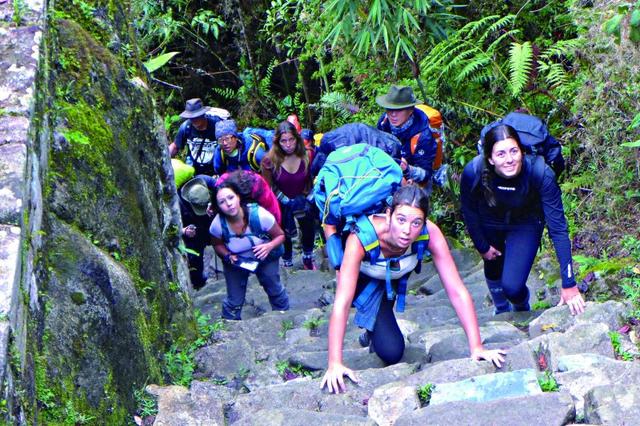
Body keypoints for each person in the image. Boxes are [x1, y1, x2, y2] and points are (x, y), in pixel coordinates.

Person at [320, 186, 506, 393]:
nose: (407, 231)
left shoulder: (430, 233)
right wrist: (334, 363)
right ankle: (372, 326)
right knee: (392, 352)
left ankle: (374, 331)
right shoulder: (361, 237)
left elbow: (456, 290)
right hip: (364, 281)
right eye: (401, 220)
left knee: (387, 343)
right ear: (388, 214)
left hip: (394, 275)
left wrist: (477, 347)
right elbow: (342, 302)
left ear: (424, 222)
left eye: (416, 223)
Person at [459, 124, 586, 316]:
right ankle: (501, 311)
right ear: (490, 159)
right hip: (489, 219)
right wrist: (481, 246)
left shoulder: (540, 173)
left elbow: (558, 229)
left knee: (512, 287)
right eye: (501, 154)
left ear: (522, 152)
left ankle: (521, 310)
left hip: (525, 223)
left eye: (514, 151)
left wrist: (569, 283)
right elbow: (469, 211)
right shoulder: (473, 171)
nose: (509, 160)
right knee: (492, 266)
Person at [209, 178, 289, 320]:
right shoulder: (217, 225)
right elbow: (217, 245)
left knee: (274, 289)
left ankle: (285, 318)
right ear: (218, 206)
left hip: (265, 257)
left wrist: (269, 246)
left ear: (238, 197)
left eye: (231, 197)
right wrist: (227, 255)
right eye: (222, 202)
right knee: (234, 301)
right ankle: (229, 329)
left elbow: (280, 236)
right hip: (237, 261)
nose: (228, 204)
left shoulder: (260, 215)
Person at [261, 121, 317, 270]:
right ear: (278, 142)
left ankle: (308, 256)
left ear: (297, 139)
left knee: (308, 226)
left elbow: (311, 178)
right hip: (280, 201)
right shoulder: (269, 160)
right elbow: (268, 186)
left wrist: (309, 196)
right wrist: (284, 200)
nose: (288, 144)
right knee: (284, 230)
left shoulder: (307, 154)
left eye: (291, 139)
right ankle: (287, 259)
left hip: (302, 197)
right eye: (284, 141)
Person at [376, 85, 438, 189]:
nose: (393, 114)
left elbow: (426, 175)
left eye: (399, 110)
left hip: (413, 179)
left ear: (410, 110)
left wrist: (407, 169)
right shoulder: (384, 122)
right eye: (390, 109)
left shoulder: (423, 137)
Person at [180, 175, 217, 290]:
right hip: (190, 225)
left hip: (205, 219)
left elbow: (221, 187)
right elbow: (169, 226)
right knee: (196, 252)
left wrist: (214, 204)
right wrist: (183, 231)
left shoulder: (205, 181)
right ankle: (198, 282)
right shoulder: (177, 202)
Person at [169, 98, 223, 176]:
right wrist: (163, 159)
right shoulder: (186, 127)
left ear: (203, 114)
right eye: (191, 117)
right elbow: (175, 146)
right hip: (193, 171)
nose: (194, 119)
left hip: (215, 171)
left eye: (197, 116)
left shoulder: (217, 126)